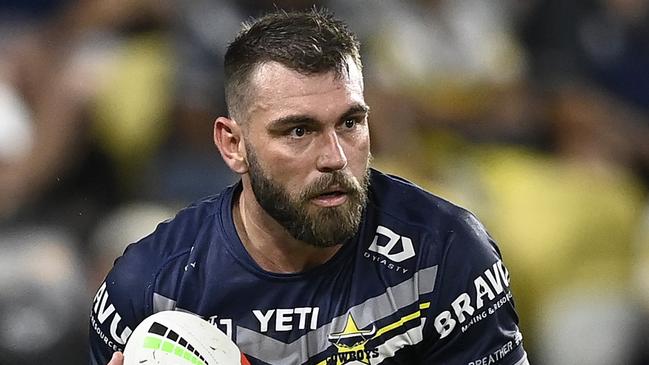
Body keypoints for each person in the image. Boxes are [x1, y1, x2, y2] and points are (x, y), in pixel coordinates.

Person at [90, 8, 529, 365]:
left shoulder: (445, 253)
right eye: (299, 131)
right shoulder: (151, 290)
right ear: (233, 144)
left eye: (351, 123)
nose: (335, 157)